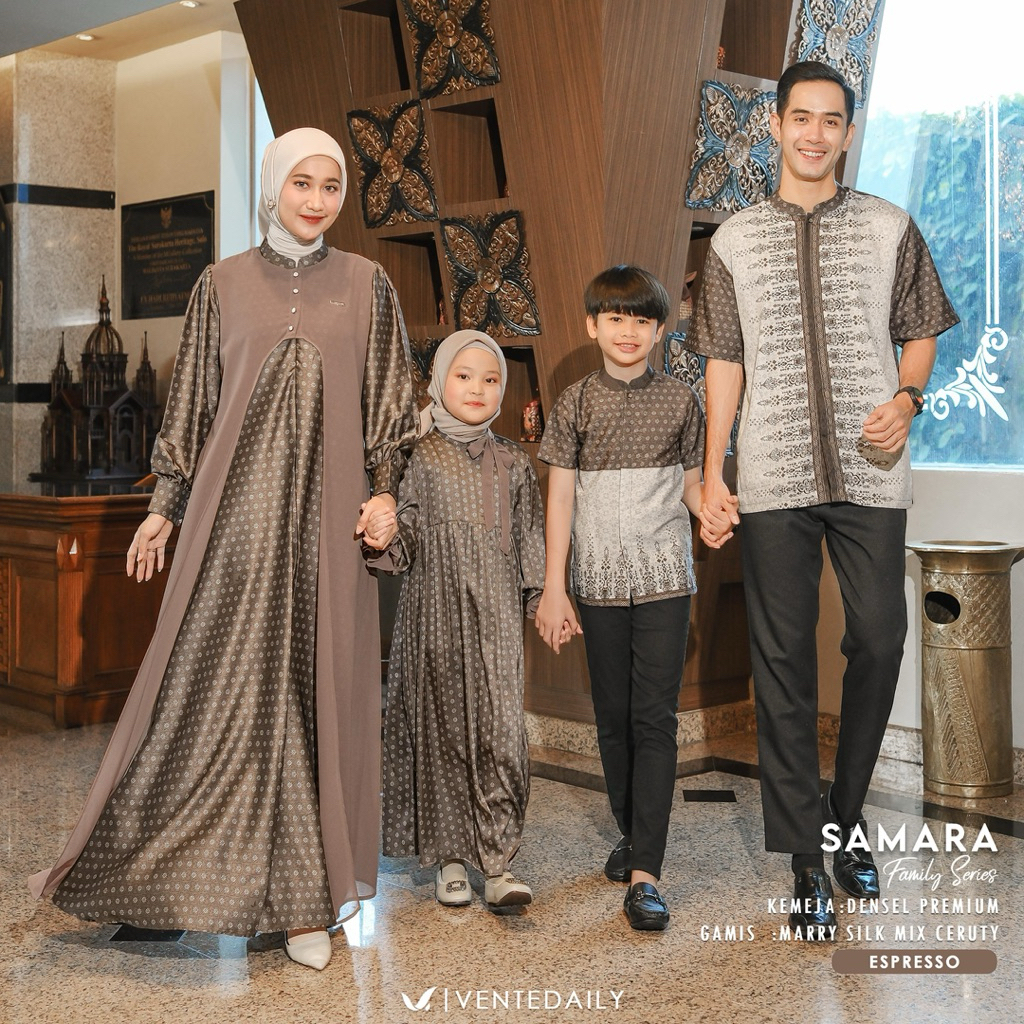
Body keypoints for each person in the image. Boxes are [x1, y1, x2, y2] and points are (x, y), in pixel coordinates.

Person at [28, 128, 417, 970]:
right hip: (231, 530)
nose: (316, 200)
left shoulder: (368, 285)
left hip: (329, 532)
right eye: (301, 183)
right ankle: (159, 876)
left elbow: (390, 404)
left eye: (331, 187)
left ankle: (304, 905)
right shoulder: (221, 283)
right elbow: (194, 403)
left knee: (313, 698)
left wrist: (387, 493)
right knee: (202, 695)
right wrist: (163, 508)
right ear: (273, 185)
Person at [689, 61, 959, 938]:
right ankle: (807, 858)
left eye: (830, 120)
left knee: (880, 636)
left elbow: (920, 332)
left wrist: (907, 400)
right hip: (773, 472)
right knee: (782, 658)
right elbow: (723, 361)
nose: (814, 134)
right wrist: (714, 470)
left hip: (872, 469)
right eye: (799, 117)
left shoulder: (889, 226)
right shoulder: (733, 242)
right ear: (775, 125)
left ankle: (843, 818)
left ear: (847, 132)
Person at [535, 265, 720, 931]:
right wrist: (554, 586)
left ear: (660, 330)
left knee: (654, 719)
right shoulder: (575, 403)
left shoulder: (681, 401)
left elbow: (693, 485)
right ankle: (634, 829)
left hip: (666, 578)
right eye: (616, 318)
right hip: (598, 582)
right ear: (593, 325)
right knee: (613, 718)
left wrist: (710, 510)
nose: (629, 331)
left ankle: (647, 873)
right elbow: (560, 497)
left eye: (643, 320)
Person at [372, 330, 546, 910]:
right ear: (440, 381)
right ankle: (450, 859)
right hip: (434, 617)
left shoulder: (515, 463)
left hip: (496, 619)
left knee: (501, 733)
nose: (477, 388)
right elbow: (403, 541)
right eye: (464, 376)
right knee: (442, 731)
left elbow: (530, 539)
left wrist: (541, 600)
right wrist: (383, 535)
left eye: (490, 379)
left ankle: (498, 863)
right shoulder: (417, 456)